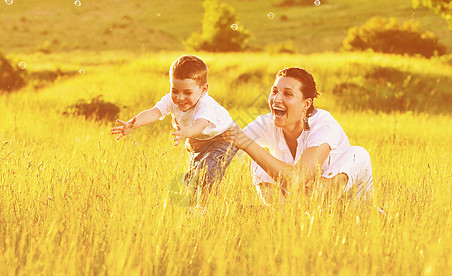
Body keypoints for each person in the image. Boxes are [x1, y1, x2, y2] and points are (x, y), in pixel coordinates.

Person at [216, 67, 373, 207]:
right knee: (258, 162)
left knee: (358, 154)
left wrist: (247, 144)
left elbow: (298, 179)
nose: (276, 99)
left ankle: (280, 212)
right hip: (297, 210)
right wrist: (198, 138)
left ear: (306, 104)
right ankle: (281, 214)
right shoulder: (266, 123)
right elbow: (225, 143)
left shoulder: (324, 125)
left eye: (288, 94)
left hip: (344, 209)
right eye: (274, 91)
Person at [111, 55, 237, 208]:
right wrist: (133, 124)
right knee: (194, 176)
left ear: (203, 90)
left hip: (224, 138)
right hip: (201, 140)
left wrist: (186, 132)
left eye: (187, 93)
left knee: (207, 170)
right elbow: (154, 112)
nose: (180, 97)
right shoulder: (171, 100)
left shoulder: (206, 105)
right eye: (174, 91)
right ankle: (209, 204)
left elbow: (200, 124)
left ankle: (202, 209)